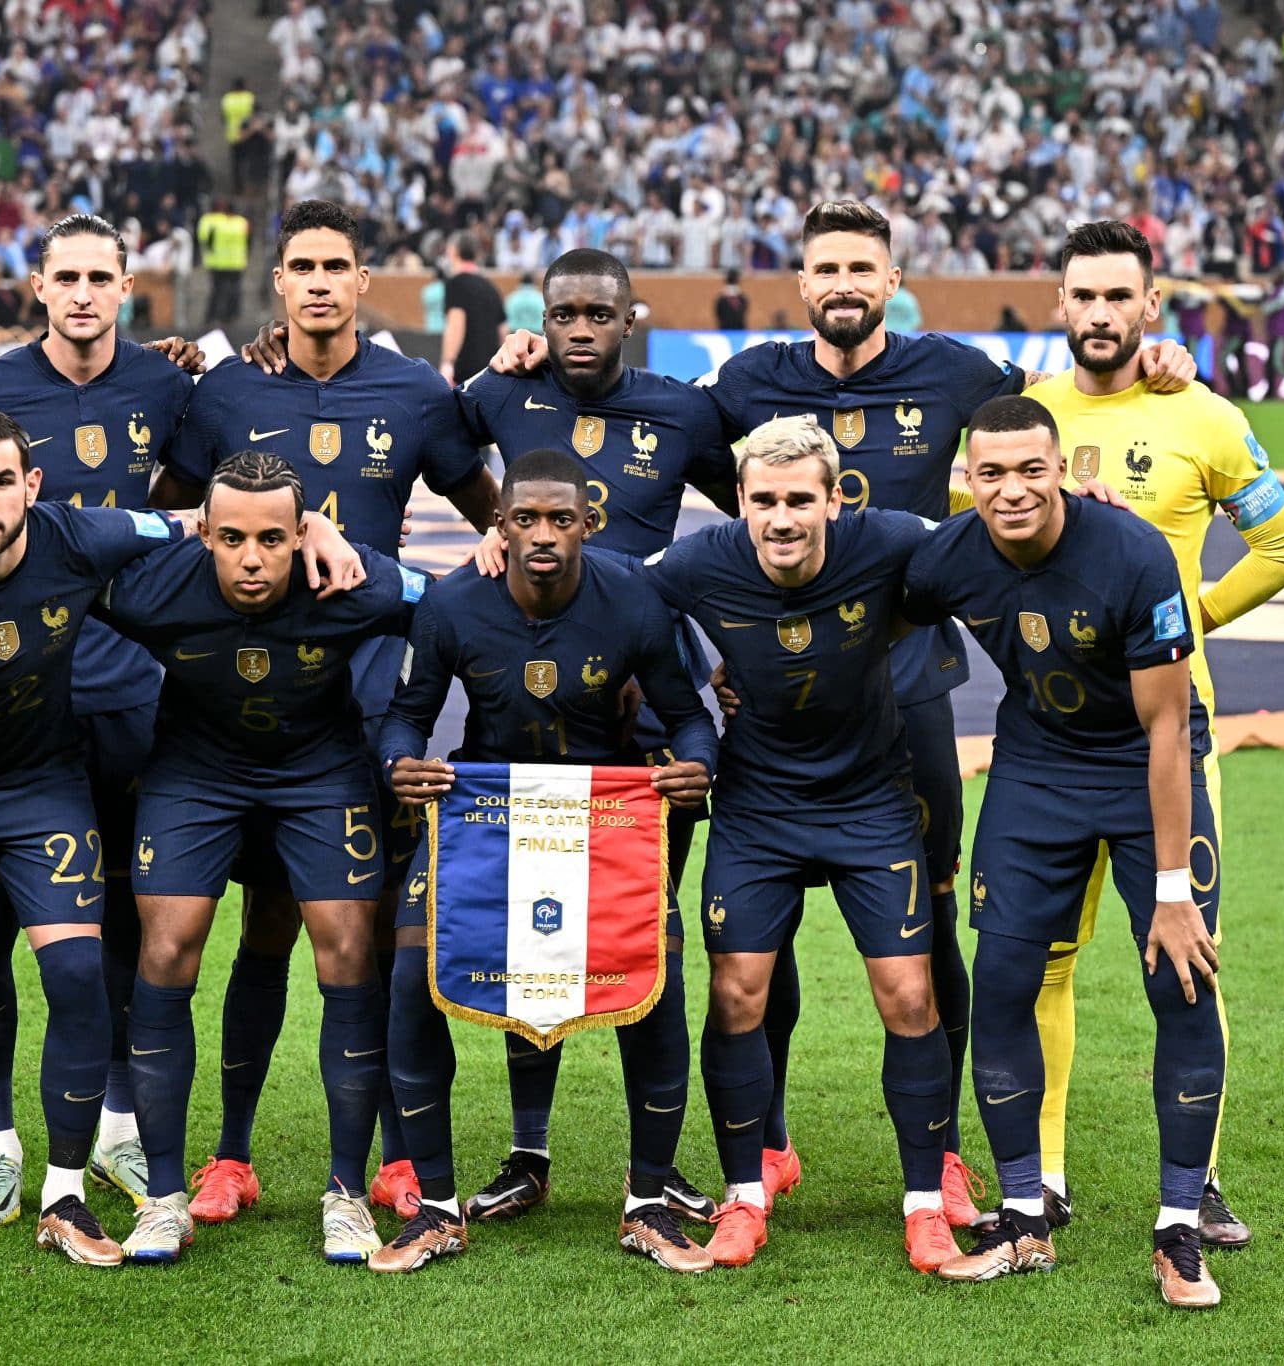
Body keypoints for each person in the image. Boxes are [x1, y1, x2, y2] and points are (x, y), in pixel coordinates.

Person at [487, 201, 1199, 1222]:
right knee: (752, 939)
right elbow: (679, 499)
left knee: (931, 922)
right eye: (824, 267)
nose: (841, 283)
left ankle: (944, 1151)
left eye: (860, 266)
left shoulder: (958, 373)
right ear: (801, 279)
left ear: (892, 274)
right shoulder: (742, 385)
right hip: (780, 704)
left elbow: (1055, 414)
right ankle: (766, 1139)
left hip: (905, 700)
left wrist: (1152, 364)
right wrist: (529, 357)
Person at [0, 408, 360, 1272]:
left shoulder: (82, 539)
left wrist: (318, 523)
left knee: (76, 973)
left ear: (32, 487)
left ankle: (67, 1195)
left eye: (2, 480)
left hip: (41, 786)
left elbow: (202, 521)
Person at [152, 199, 499, 1224]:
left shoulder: (413, 393)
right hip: (244, 705)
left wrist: (497, 571)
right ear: (278, 283)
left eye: (334, 265)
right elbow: (169, 502)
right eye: (298, 264)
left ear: (361, 281)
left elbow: (488, 510)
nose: (315, 281)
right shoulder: (223, 390)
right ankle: (228, 1155)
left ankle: (395, 1156)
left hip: (370, 702)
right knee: (260, 931)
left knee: (382, 931)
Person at [1021, 220, 1284, 1247]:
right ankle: (1041, 1176)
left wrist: (1190, 620)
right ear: (1058, 305)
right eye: (1080, 296)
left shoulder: (1207, 416)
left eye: (1117, 297)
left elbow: (1280, 547)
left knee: (1186, 957)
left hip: (1167, 736)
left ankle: (1200, 1179)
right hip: (1048, 743)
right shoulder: (1020, 422)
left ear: (1152, 306)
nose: (1097, 314)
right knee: (1041, 962)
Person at [912, 395, 1226, 1311]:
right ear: (967, 479)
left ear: (1062, 471)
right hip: (1036, 769)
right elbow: (870, 599)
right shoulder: (948, 553)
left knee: (1181, 978)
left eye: (1031, 470)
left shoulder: (1131, 552)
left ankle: (1178, 1229)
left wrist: (1172, 892)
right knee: (1003, 979)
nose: (1012, 491)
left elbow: (1167, 728)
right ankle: (1023, 1217)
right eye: (991, 473)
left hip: (1143, 767)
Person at [370, 448, 718, 1275]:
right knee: (413, 978)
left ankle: (648, 1203)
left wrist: (693, 761)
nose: (542, 535)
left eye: (562, 519)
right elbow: (404, 718)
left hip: (607, 822)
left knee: (654, 985)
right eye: (524, 518)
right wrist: (400, 766)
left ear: (587, 525)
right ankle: (437, 1209)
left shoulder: (634, 598)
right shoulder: (453, 603)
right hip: (486, 820)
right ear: (499, 524)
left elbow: (690, 716)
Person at [452, 248, 735, 1223]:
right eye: (561, 311)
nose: (577, 328)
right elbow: (441, 463)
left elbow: (756, 526)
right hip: (530, 712)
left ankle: (649, 1169)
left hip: (646, 714)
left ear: (629, 319)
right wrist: (490, 542)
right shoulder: (498, 395)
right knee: (536, 941)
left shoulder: (684, 413)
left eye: (596, 313)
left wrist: (728, 648)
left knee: (641, 940)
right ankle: (528, 1154)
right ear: (542, 315)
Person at [0, 215, 200, 1225]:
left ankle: (119, 1127)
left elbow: (214, 489)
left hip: (129, 686)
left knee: (121, 919)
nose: (82, 294)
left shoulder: (165, 385)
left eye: (100, 277)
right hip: (13, 695)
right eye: (65, 278)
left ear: (125, 286)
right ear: (34, 286)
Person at [641, 415, 953, 1273]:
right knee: (738, 995)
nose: (783, 518)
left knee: (908, 997)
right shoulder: (701, 561)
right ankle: (745, 1197)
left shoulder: (888, 540)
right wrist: (689, 688)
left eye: (800, 500)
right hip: (758, 807)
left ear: (834, 499)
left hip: (871, 804)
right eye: (765, 500)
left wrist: (1085, 507)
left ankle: (925, 1204)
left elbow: (991, 539)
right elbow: (614, 596)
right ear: (739, 501)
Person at [94, 451, 419, 1265]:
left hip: (321, 771)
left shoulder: (349, 578)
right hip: (194, 773)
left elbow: (461, 611)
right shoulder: (153, 582)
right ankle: (164, 1198)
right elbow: (45, 564)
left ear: (302, 532)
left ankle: (347, 1195)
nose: (250, 558)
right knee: (166, 950)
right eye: (231, 536)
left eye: (273, 538)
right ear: (202, 532)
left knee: (346, 949)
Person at [440, 231, 505, 384]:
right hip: (489, 373)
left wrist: (448, 363)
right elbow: (502, 331)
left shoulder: (456, 283)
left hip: (464, 373)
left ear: (453, 252)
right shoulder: (491, 287)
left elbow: (456, 323)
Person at [197, 197, 251, 328]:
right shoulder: (242, 222)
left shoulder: (213, 222)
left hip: (218, 262)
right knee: (234, 290)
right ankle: (231, 316)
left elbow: (205, 239)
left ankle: (212, 317)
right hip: (237, 262)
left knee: (217, 291)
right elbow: (249, 241)